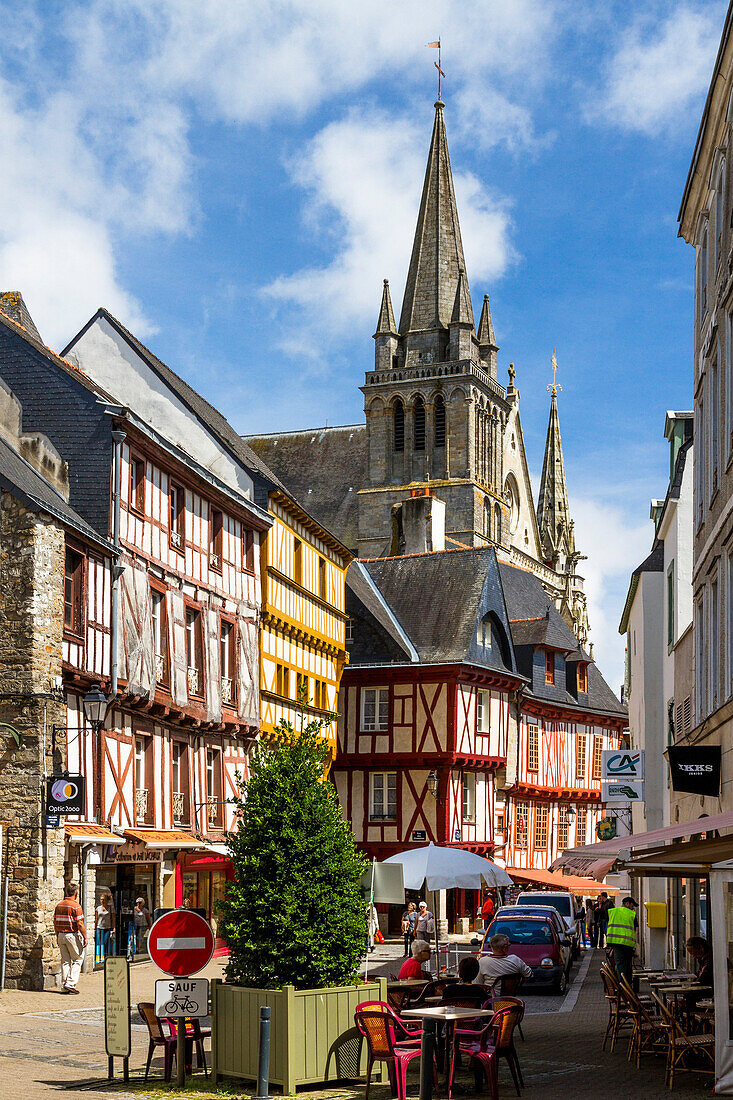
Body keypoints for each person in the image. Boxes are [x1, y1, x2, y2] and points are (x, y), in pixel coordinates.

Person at [53, 882, 87, 994]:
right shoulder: (76, 906)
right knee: (78, 958)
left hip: (61, 935)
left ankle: (64, 985)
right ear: (76, 893)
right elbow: (80, 923)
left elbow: (55, 921)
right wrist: (85, 937)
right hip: (71, 934)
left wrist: (57, 934)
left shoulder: (59, 905)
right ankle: (70, 983)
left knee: (65, 961)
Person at [605, 896, 638, 986]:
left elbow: (607, 922)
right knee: (628, 965)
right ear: (627, 903)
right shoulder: (632, 914)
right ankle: (628, 985)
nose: (633, 907)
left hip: (616, 943)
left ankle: (622, 985)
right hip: (628, 944)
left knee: (620, 964)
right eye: (632, 905)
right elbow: (635, 929)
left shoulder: (612, 912)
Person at [94, 893, 115, 963]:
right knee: (99, 942)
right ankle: (98, 957)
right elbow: (96, 918)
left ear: (107, 900)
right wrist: (94, 927)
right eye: (101, 899)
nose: (102, 901)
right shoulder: (98, 908)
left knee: (105, 942)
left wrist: (113, 927)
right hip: (99, 927)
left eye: (103, 899)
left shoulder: (110, 908)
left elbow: (113, 918)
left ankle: (104, 956)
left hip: (107, 927)